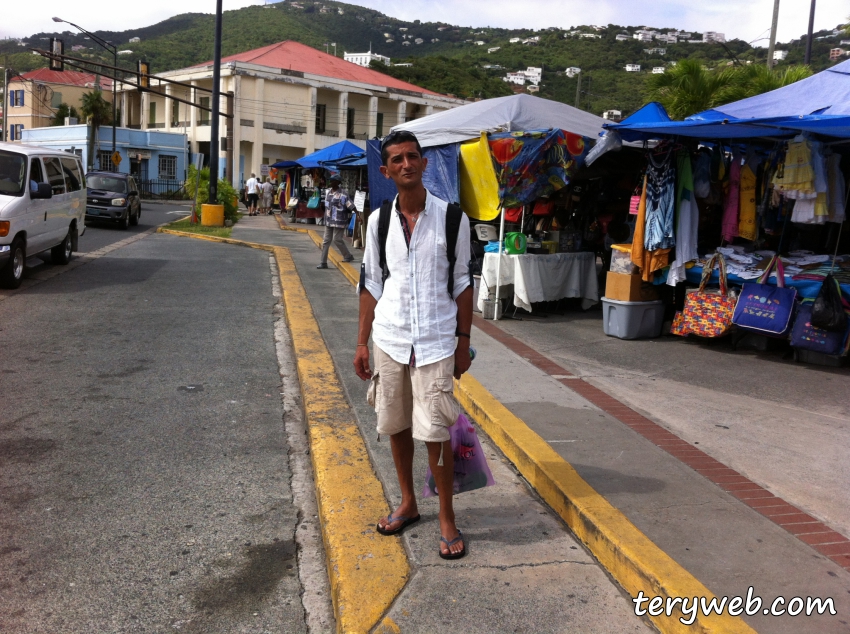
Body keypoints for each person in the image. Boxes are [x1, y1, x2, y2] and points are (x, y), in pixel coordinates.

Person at [353, 130, 473, 560]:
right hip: (389, 337)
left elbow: (462, 283)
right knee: (397, 424)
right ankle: (408, 502)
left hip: (437, 341)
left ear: (424, 164)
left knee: (436, 432)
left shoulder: (453, 218)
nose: (406, 164)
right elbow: (370, 282)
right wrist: (362, 342)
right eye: (397, 159)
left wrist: (464, 342)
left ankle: (446, 516)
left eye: (413, 157)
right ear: (386, 171)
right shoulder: (377, 221)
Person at [317, 174, 355, 269]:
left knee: (337, 239)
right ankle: (323, 263)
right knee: (326, 241)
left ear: (338, 182)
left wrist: (357, 214)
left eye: (333, 181)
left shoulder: (343, 193)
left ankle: (347, 255)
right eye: (330, 181)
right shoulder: (328, 192)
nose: (331, 182)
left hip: (339, 219)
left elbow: (350, 204)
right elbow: (326, 204)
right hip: (329, 219)